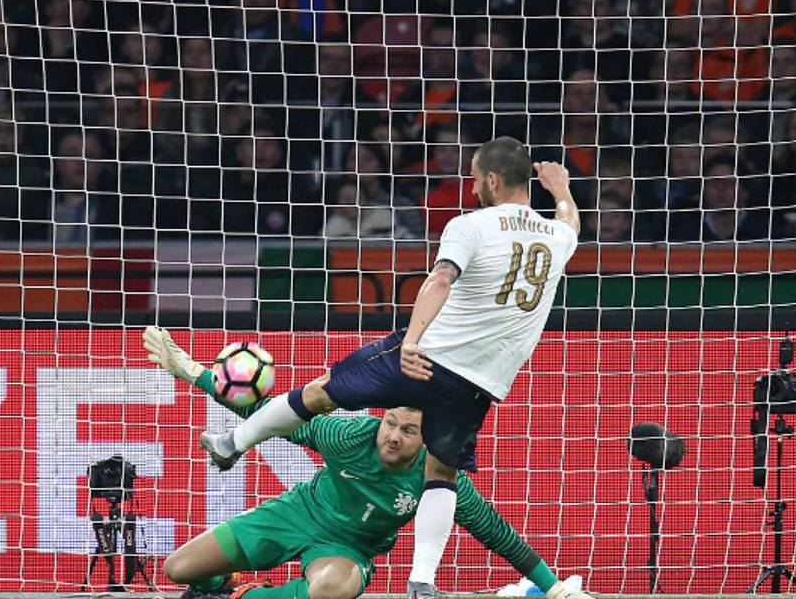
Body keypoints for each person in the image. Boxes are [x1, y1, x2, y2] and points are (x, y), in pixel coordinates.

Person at [200, 137, 580, 599]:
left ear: (492, 181)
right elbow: (569, 222)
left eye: (476, 178)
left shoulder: (470, 225)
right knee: (441, 475)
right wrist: (560, 189)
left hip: (429, 356)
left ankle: (231, 443)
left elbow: (440, 279)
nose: (474, 186)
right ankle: (422, 581)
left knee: (321, 391)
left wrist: (413, 341)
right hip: (481, 382)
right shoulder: (557, 237)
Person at [145, 327, 592, 599]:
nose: (393, 435)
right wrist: (192, 371)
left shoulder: (438, 477)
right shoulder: (349, 435)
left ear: (427, 439)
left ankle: (245, 595)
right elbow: (271, 419)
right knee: (178, 570)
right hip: (296, 514)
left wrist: (552, 586)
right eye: (391, 423)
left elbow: (498, 534)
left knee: (329, 590)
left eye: (408, 431)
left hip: (346, 551)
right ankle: (220, 585)